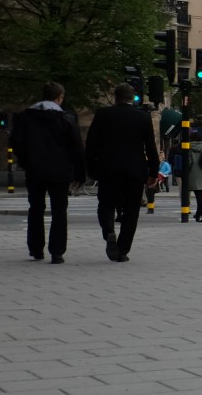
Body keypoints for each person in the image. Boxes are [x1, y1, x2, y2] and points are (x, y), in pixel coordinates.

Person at [8, 82, 86, 264]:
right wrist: (80, 174)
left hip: (35, 170)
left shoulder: (26, 117)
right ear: (60, 97)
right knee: (59, 210)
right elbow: (77, 148)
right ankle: (57, 251)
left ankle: (36, 249)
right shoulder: (66, 119)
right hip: (60, 171)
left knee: (36, 208)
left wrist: (26, 161)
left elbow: (16, 142)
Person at [84, 83, 160, 261]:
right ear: (132, 97)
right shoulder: (142, 117)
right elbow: (150, 147)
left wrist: (91, 168)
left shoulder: (103, 114)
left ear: (115, 96)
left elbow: (91, 144)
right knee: (132, 210)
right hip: (134, 170)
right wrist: (153, 173)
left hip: (108, 169)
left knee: (106, 204)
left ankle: (109, 231)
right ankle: (123, 248)